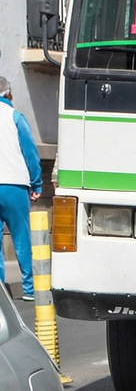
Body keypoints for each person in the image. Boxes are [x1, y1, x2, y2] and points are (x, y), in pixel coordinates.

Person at [0, 77, 42, 301]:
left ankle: (1, 295)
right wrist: (37, 183)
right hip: (14, 185)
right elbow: (30, 152)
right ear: (9, 95)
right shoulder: (15, 117)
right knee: (21, 237)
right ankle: (28, 289)